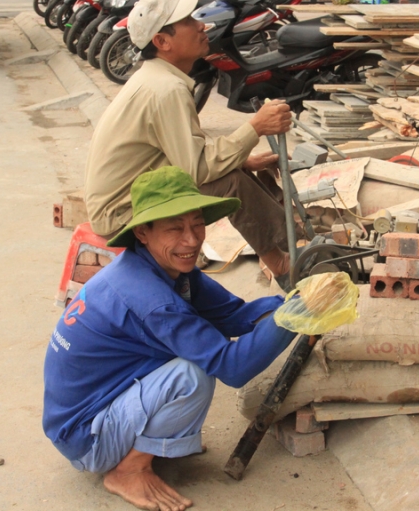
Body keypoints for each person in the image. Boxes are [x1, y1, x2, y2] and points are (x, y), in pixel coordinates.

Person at [44, 166, 299, 511]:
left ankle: (156, 441)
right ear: (143, 233)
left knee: (192, 352)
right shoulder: (151, 299)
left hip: (96, 406)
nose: (192, 240)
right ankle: (127, 469)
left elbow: (234, 315)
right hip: (85, 436)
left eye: (197, 224)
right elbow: (232, 367)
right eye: (175, 229)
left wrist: (291, 300)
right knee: (193, 375)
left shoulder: (164, 269)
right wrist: (296, 316)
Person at [84, 0, 296, 289]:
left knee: (235, 170)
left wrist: (243, 158)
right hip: (122, 211)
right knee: (230, 182)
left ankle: (291, 243)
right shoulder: (165, 89)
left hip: (131, 195)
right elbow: (195, 169)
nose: (201, 25)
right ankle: (285, 263)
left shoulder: (157, 80)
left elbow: (180, 153)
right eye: (187, 21)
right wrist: (255, 128)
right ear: (162, 41)